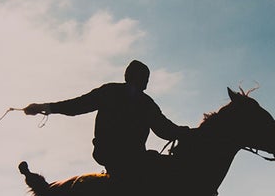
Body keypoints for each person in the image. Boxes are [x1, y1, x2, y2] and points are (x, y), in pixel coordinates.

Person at [24, 60, 190, 182]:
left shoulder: (118, 94)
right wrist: (188, 133)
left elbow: (76, 106)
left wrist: (44, 107)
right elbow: (165, 130)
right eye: (145, 79)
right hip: (120, 156)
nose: (146, 83)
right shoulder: (141, 101)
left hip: (121, 156)